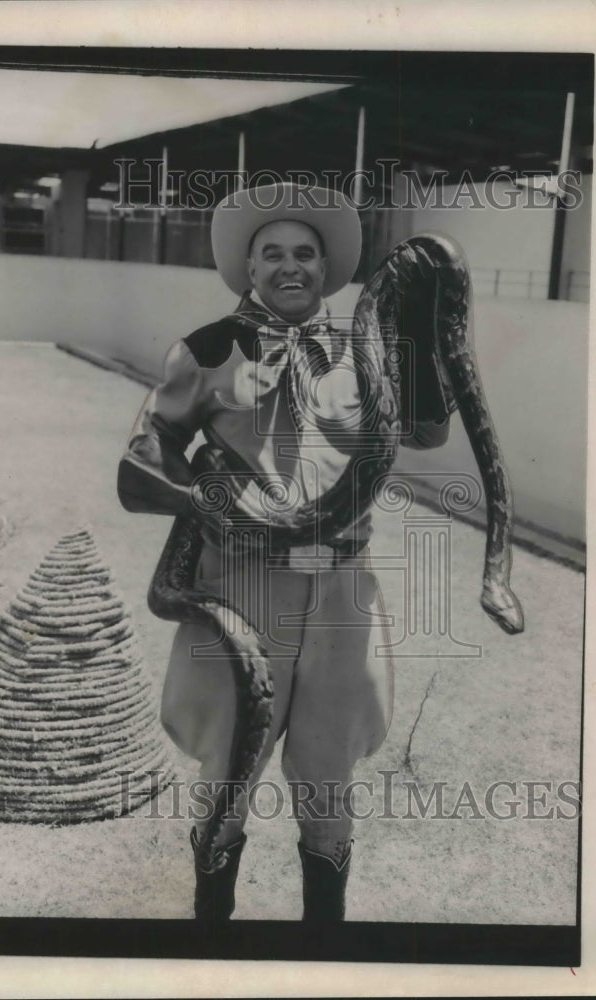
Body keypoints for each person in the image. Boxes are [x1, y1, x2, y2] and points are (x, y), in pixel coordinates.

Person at [117, 183, 450, 923]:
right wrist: (212, 505)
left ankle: (322, 946)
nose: (289, 266)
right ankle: (211, 939)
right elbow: (137, 470)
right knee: (226, 773)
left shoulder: (370, 357)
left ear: (327, 268)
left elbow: (427, 433)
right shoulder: (206, 349)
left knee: (329, 780)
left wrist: (428, 329)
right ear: (248, 266)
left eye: (305, 253)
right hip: (239, 592)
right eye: (272, 253)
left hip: (342, 594)